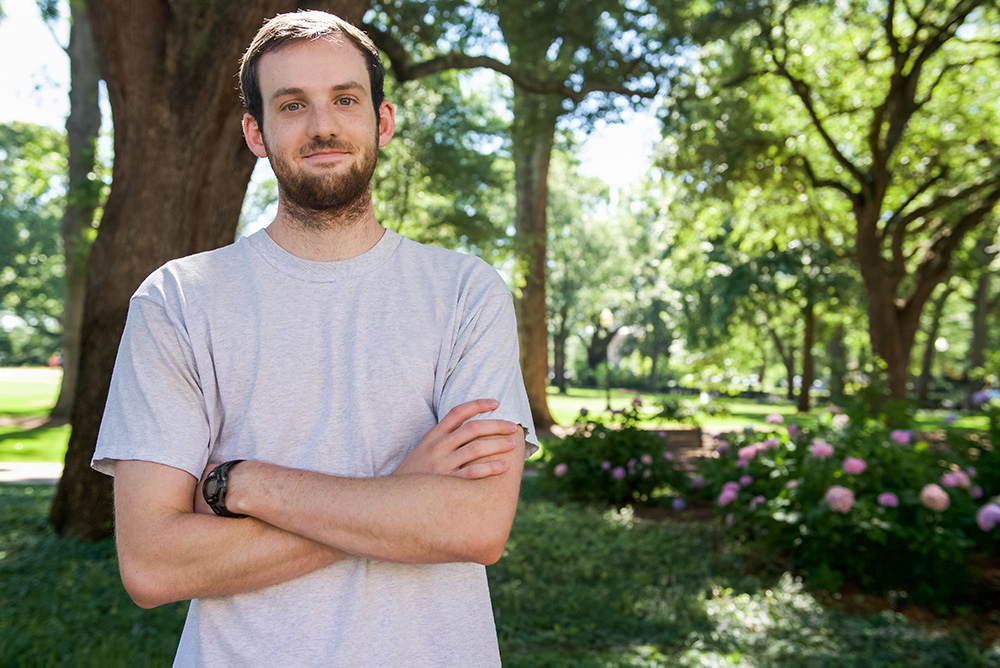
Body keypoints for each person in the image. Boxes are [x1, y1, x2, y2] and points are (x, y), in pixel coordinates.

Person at [91, 10, 537, 667]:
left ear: (382, 122)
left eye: (345, 100)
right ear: (256, 132)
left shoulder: (466, 293)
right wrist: (402, 492)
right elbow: (154, 564)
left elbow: (475, 526)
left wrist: (247, 485)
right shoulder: (179, 301)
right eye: (292, 104)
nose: (322, 125)